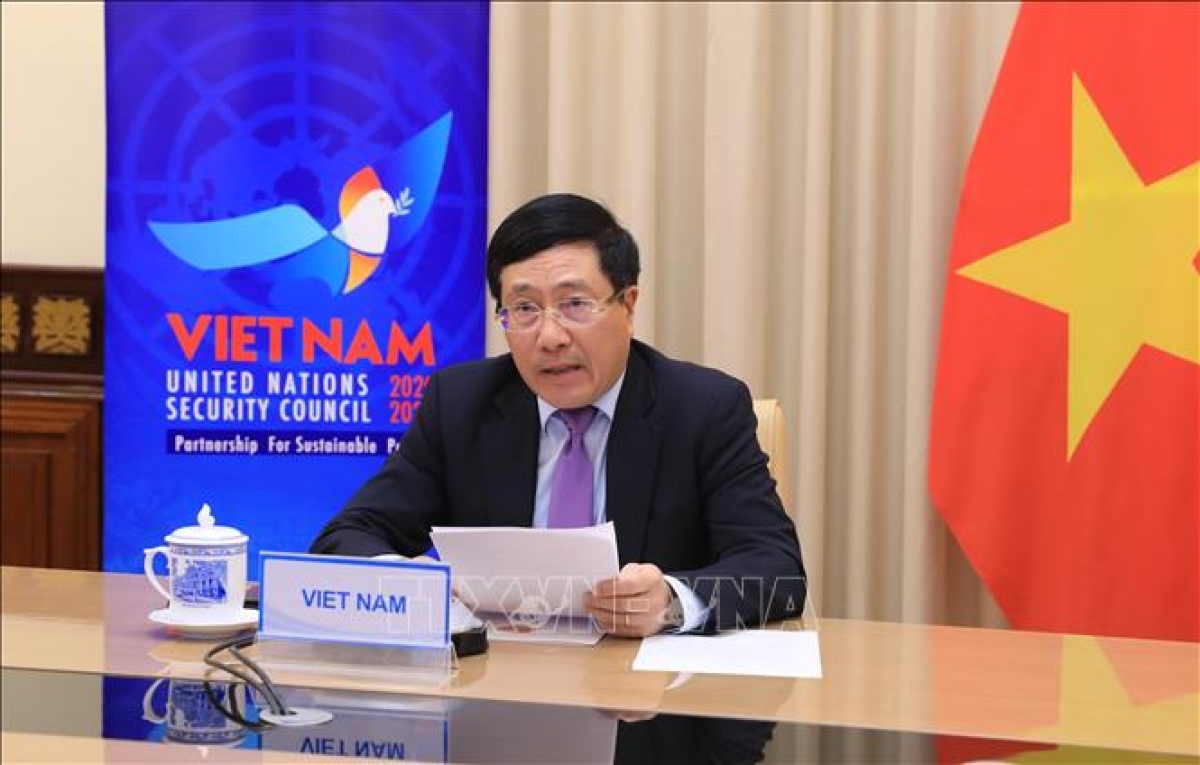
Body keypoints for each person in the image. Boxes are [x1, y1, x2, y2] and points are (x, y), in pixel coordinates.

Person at [310, 193, 805, 635]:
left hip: (645, 694)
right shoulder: (460, 404)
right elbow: (345, 538)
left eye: (575, 304)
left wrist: (672, 602)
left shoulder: (703, 408)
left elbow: (777, 570)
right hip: (495, 687)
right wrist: (406, 580)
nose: (550, 337)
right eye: (524, 309)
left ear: (628, 306)